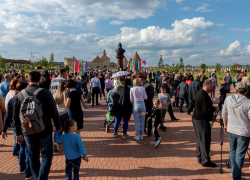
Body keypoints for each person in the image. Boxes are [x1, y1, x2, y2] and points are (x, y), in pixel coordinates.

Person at [13, 71, 62, 180]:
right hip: (44, 129)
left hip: (27, 130)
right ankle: (42, 178)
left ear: (27, 79)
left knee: (33, 156)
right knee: (46, 156)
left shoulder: (20, 95)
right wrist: (58, 126)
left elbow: (15, 116)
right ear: (40, 79)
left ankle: (37, 177)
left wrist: (18, 133)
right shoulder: (45, 93)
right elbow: (54, 111)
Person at [2, 81, 33, 180]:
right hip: (26, 126)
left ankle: (21, 168)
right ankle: (28, 172)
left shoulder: (12, 100)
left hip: (16, 127)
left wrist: (4, 129)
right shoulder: (27, 99)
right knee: (28, 149)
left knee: (22, 147)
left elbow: (8, 117)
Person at [222, 82, 250, 180]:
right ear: (246, 91)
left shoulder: (228, 99)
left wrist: (225, 125)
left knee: (233, 151)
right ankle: (236, 176)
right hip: (243, 132)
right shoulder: (248, 103)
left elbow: (224, 113)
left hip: (231, 129)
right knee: (239, 154)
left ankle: (234, 171)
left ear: (236, 90)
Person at [192, 79, 217, 167]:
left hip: (197, 119)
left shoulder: (200, 92)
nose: (213, 89)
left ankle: (200, 157)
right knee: (204, 140)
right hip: (201, 120)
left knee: (200, 139)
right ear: (209, 87)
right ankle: (205, 160)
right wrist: (214, 109)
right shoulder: (204, 95)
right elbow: (206, 111)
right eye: (213, 87)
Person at [53, 81, 69, 152]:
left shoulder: (54, 95)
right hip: (65, 113)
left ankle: (56, 143)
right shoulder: (66, 94)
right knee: (66, 130)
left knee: (58, 129)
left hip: (58, 114)